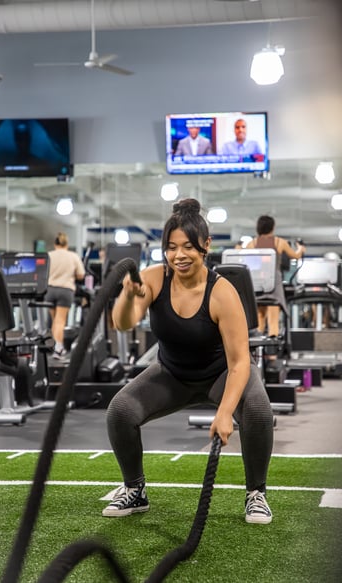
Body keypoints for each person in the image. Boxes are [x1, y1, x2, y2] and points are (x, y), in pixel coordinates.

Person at [102, 198, 274, 524]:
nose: (179, 255)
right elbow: (122, 323)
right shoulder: (153, 278)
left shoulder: (222, 293)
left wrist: (225, 414)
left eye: (188, 247)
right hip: (173, 374)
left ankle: (257, 493)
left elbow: (239, 362)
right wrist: (128, 295)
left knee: (258, 411)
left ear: (206, 246)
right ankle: (135, 490)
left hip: (222, 373)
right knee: (120, 411)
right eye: (171, 247)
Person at [246, 215, 306, 337]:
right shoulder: (280, 242)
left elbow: (247, 262)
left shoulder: (252, 244)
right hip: (273, 283)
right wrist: (301, 249)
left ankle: (259, 349)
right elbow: (295, 256)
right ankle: (272, 353)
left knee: (259, 317)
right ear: (272, 228)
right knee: (273, 318)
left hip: (257, 283)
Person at [44, 232, 85, 359]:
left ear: (55, 244)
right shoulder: (73, 256)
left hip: (49, 290)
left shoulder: (49, 255)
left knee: (54, 320)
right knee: (60, 321)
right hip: (65, 290)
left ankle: (55, 346)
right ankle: (58, 348)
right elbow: (81, 275)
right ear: (66, 244)